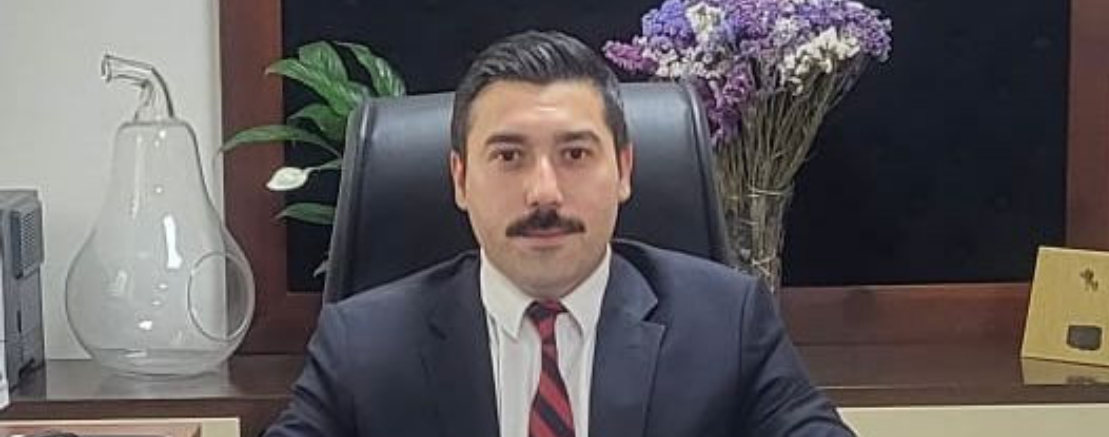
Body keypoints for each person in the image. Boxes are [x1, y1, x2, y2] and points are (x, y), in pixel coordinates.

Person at [265, 30, 854, 437]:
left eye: (575, 154)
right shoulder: (363, 346)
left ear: (623, 170)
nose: (543, 192)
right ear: (461, 179)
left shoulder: (727, 323)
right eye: (509, 156)